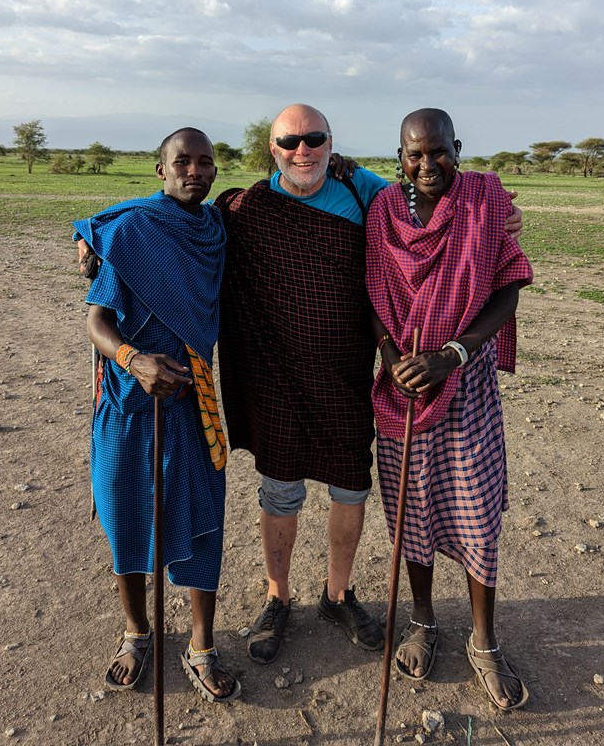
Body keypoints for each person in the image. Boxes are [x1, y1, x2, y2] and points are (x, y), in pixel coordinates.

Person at [215, 104, 523, 668]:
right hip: (279, 375)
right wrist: (97, 237)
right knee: (279, 491)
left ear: (333, 145)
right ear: (272, 148)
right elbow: (184, 224)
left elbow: (447, 219)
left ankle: (338, 596)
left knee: (350, 489)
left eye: (315, 139)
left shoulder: (367, 195)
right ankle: (276, 597)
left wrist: (502, 216)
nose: (302, 150)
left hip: (348, 374)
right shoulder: (247, 205)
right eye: (290, 141)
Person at [365, 108, 533, 712]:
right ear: (400, 157)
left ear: (456, 149)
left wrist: (452, 355)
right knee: (411, 504)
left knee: (477, 507)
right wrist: (391, 359)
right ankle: (423, 620)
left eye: (438, 151)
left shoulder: (486, 200)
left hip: (465, 380)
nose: (427, 164)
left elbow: (509, 285)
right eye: (415, 154)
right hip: (403, 385)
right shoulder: (384, 210)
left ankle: (484, 640)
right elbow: (374, 296)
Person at [72, 128, 240, 703]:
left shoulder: (217, 230)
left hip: (192, 400)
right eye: (182, 162)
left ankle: (200, 644)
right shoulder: (129, 233)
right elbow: (97, 322)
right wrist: (133, 359)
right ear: (160, 169)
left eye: (205, 162)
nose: (195, 171)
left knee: (200, 520)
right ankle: (136, 633)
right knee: (126, 516)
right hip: (127, 400)